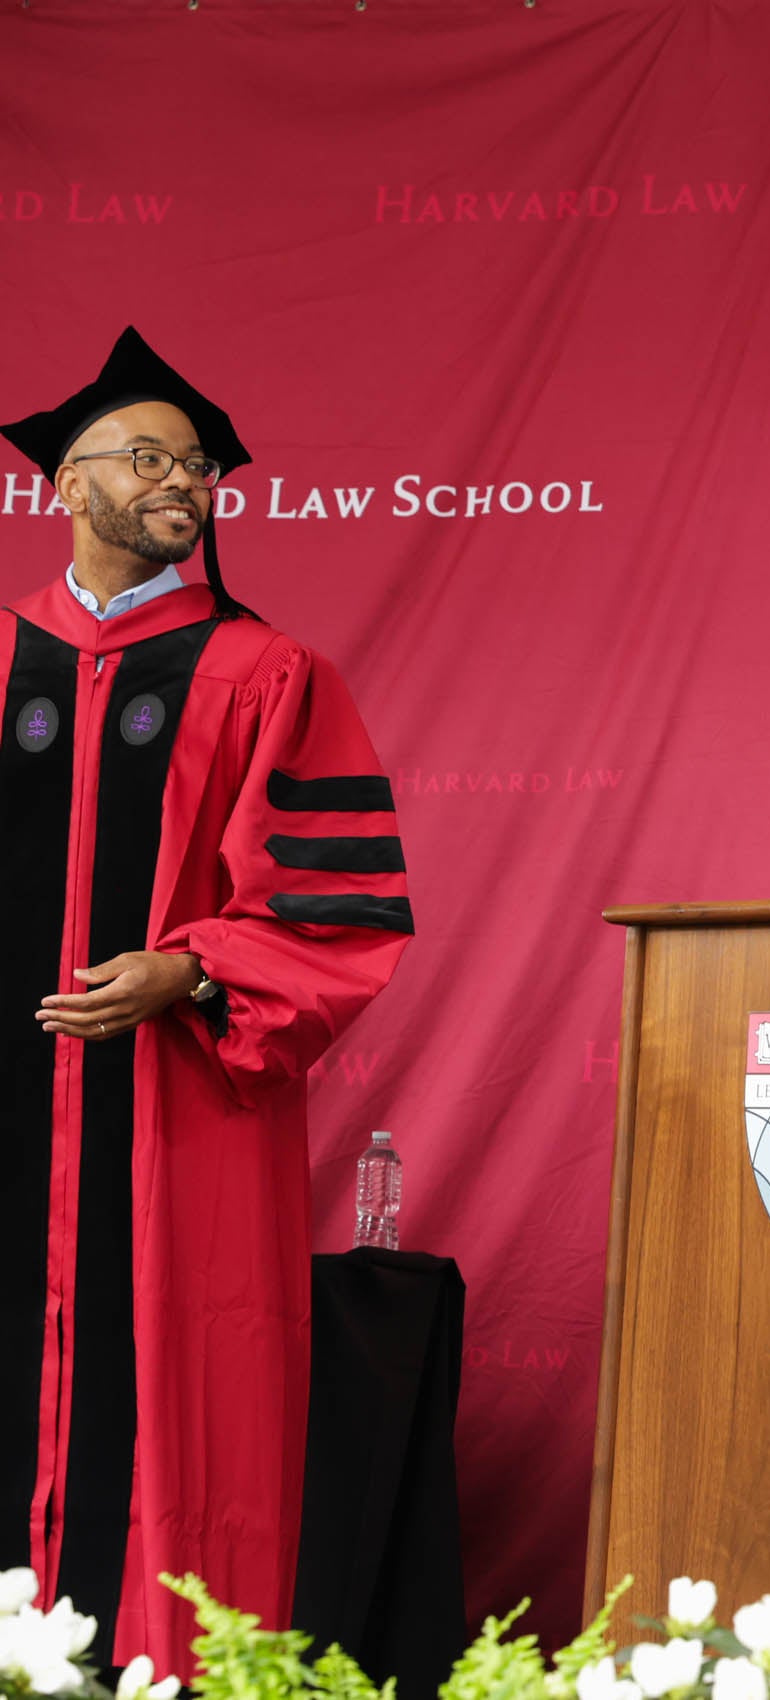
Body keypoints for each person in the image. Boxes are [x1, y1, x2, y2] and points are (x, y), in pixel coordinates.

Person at [0, 329, 414, 1667]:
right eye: (147, 454)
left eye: (196, 462)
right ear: (64, 486)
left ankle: (153, 1673)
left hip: (174, 1115)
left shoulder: (268, 673)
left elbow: (336, 911)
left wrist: (193, 969)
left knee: (175, 1409)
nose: (183, 477)